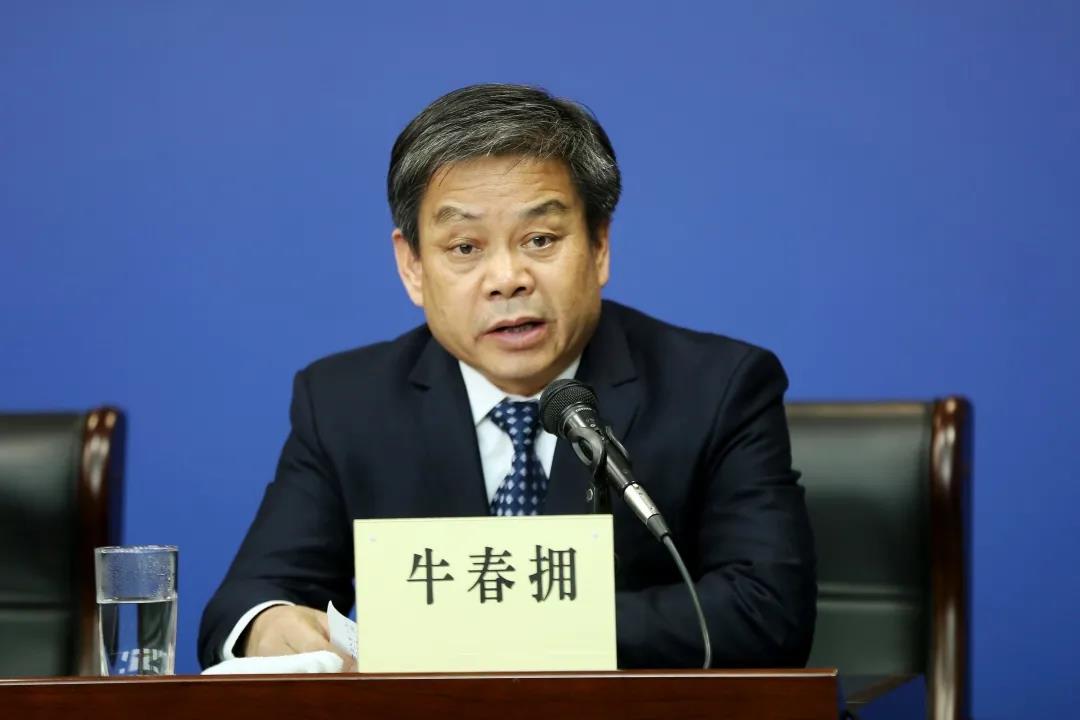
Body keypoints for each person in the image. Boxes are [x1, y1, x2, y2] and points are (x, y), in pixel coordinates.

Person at [197, 83, 816, 670]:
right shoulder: (344, 402)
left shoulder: (717, 387)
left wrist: (502, 629)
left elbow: (766, 612)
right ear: (412, 266)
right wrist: (266, 623)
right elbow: (245, 600)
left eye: (540, 239)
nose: (507, 279)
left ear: (599, 246)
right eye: (465, 247)